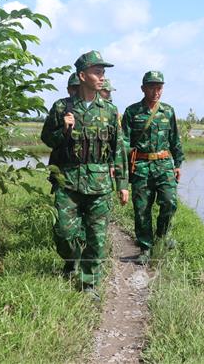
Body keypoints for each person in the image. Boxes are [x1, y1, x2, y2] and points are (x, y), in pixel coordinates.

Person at [40, 50, 129, 298]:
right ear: (82, 75)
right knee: (64, 234)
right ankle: (72, 260)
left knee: (97, 238)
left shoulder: (110, 111)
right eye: (97, 72)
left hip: (100, 183)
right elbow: (47, 139)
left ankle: (89, 284)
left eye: (103, 73)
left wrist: (123, 184)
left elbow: (119, 149)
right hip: (68, 181)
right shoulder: (62, 107)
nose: (102, 77)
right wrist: (64, 129)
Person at [122, 70, 184, 264]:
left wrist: (178, 163)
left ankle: (161, 237)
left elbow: (175, 139)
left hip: (164, 165)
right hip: (140, 166)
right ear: (143, 89)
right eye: (152, 87)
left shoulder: (168, 110)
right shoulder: (132, 112)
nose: (156, 91)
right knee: (142, 209)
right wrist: (124, 164)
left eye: (159, 88)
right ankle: (145, 247)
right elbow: (123, 141)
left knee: (169, 203)